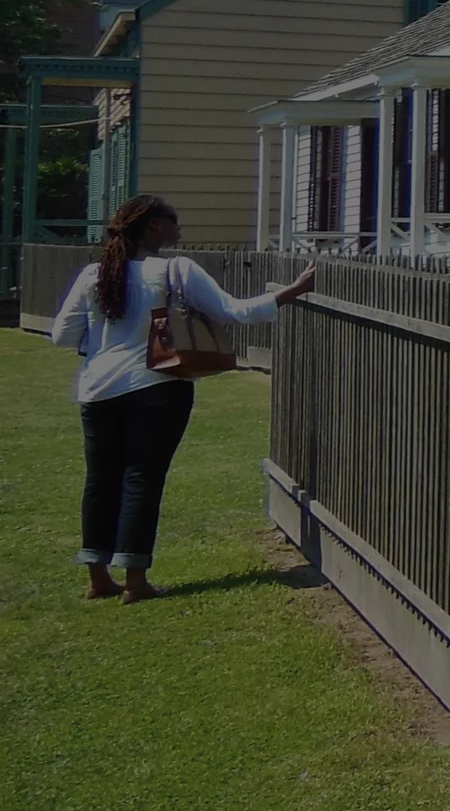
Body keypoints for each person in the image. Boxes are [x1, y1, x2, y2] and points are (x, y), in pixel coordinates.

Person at [50, 194, 316, 603]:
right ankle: (135, 582)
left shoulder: (93, 274)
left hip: (98, 390)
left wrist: (104, 339)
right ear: (154, 226)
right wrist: (294, 290)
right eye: (173, 220)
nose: (179, 227)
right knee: (142, 478)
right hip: (159, 387)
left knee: (100, 480)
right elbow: (235, 311)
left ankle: (98, 578)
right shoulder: (176, 269)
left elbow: (62, 336)